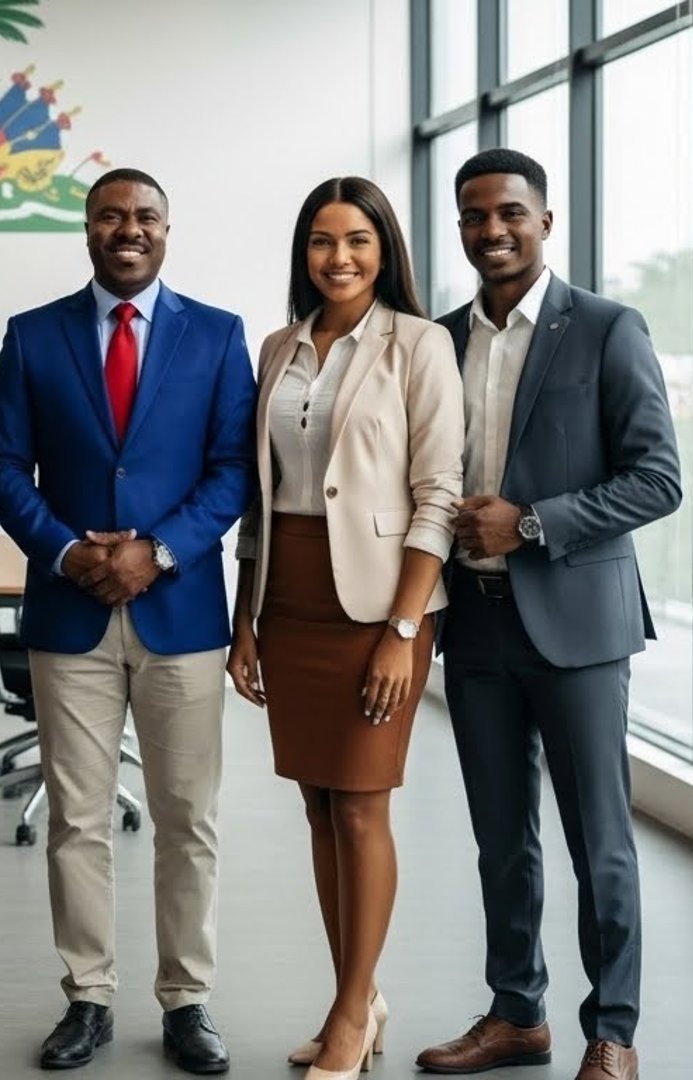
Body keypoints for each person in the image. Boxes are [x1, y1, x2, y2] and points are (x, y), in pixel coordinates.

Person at [0, 167, 255, 1075]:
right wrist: (68, 551)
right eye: (110, 216)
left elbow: (231, 472)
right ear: (87, 229)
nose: (126, 229)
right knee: (76, 819)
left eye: (144, 217)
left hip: (181, 611)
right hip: (69, 614)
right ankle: (87, 996)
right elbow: (3, 464)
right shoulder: (32, 337)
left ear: (167, 230)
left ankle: (187, 1001)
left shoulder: (218, 337)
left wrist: (158, 552)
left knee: (187, 818)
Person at [413, 148, 680, 1080]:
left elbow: (658, 478)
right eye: (475, 217)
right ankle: (517, 1013)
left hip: (577, 627)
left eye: (511, 214)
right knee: (500, 840)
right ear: (459, 229)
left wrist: (531, 523)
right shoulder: (437, 339)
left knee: (597, 841)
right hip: (475, 625)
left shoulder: (607, 328)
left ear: (545, 222)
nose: (493, 231)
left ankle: (613, 1031)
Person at [227, 177, 463, 1080]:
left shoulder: (419, 344)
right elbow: (261, 495)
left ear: (384, 247)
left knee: (362, 809)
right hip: (286, 597)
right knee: (319, 809)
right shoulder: (279, 345)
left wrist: (406, 628)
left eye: (357, 240)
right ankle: (355, 999)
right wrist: (244, 621)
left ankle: (352, 1011)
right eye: (322, 242)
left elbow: (437, 492)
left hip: (375, 606)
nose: (340, 258)